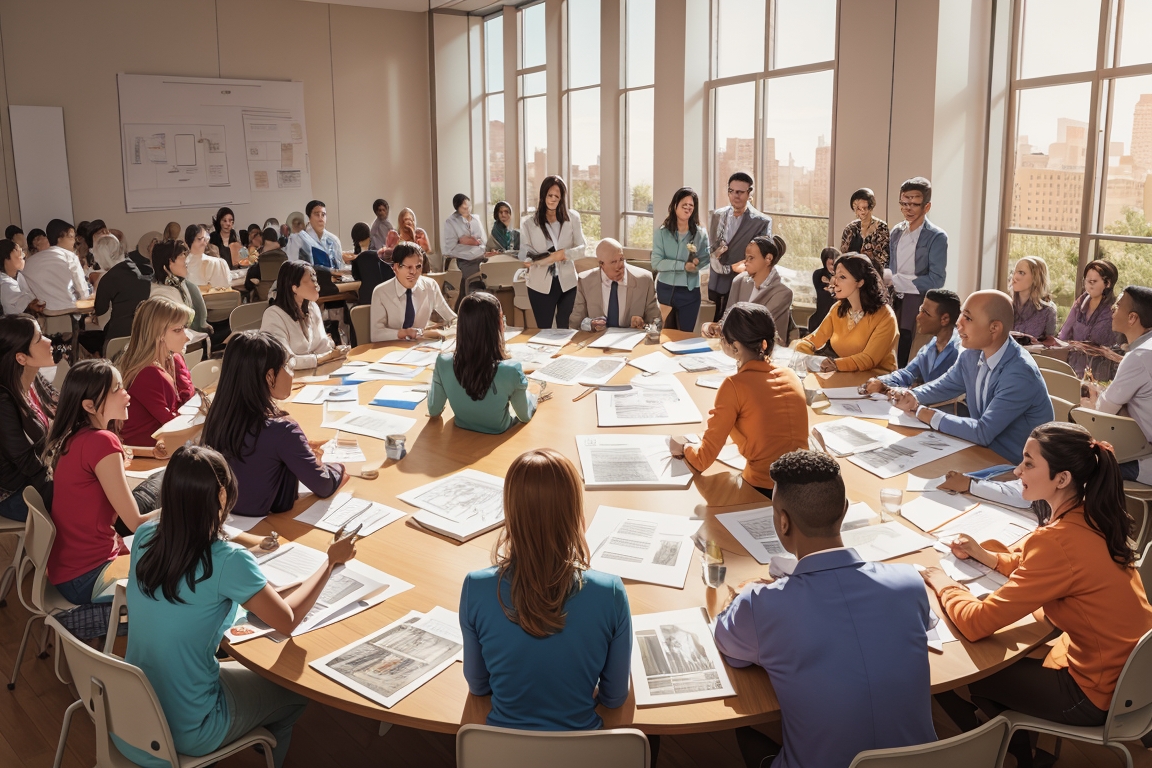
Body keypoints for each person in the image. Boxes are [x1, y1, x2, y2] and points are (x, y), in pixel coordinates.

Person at [926, 423, 1152, 768]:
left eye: (1029, 464)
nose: (1017, 471)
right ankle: (1023, 748)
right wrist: (987, 557)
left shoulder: (1056, 540)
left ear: (1061, 479)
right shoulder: (1093, 515)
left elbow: (975, 623)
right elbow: (1046, 566)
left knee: (964, 676)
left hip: (1096, 694)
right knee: (1007, 659)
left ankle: (1010, 756)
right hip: (1133, 679)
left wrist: (943, 583)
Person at [126, 445, 354, 768]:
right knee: (296, 693)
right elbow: (286, 621)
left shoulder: (145, 536)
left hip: (133, 714)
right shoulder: (226, 559)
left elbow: (242, 596)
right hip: (190, 728)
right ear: (221, 497)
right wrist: (330, 562)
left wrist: (279, 585)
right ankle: (265, 743)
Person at [713, 450, 936, 768]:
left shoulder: (761, 604)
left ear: (783, 521)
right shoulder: (908, 582)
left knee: (744, 736)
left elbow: (729, 646)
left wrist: (737, 597)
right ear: (844, 511)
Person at [460, 448, 631, 730]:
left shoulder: (475, 588)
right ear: (574, 511)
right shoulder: (610, 592)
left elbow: (479, 686)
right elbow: (614, 698)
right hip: (585, 753)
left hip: (500, 752)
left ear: (510, 511)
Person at [890, 290, 1054, 463]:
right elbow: (944, 385)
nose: (958, 324)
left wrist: (926, 414)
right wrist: (913, 396)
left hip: (1014, 468)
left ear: (994, 328)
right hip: (980, 453)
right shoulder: (972, 354)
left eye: (967, 318)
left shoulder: (1020, 374)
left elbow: (983, 432)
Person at [42, 360, 155, 605]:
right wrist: (187, 506)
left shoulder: (74, 437)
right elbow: (135, 523)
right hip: (89, 576)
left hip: (68, 573)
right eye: (116, 389)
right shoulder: (102, 442)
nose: (126, 394)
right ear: (90, 405)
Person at [199, 331, 348, 517]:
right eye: (286, 365)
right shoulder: (282, 430)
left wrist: (298, 451)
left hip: (223, 519)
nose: (290, 372)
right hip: (268, 527)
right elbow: (324, 485)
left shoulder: (218, 416)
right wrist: (338, 467)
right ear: (270, 376)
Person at [671, 303, 808, 498]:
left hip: (764, 489)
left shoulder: (734, 386)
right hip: (805, 484)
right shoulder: (790, 375)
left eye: (723, 339)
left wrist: (683, 446)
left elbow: (701, 460)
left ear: (735, 347)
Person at [428, 292, 542, 434]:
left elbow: (433, 410)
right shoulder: (512, 370)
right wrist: (533, 392)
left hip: (461, 434)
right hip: (499, 437)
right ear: (498, 324)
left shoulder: (443, 362)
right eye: (502, 317)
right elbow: (524, 416)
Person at [793, 253, 899, 373]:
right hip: (846, 376)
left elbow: (868, 359)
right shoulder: (838, 309)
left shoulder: (886, 316)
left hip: (878, 381)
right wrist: (800, 350)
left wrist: (835, 364)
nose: (835, 282)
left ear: (860, 282)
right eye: (835, 276)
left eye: (842, 277)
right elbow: (814, 339)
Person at [117, 297, 195, 449]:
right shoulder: (148, 373)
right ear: (157, 335)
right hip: (145, 454)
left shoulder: (169, 360)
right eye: (178, 330)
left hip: (162, 447)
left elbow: (185, 404)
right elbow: (174, 425)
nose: (186, 337)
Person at [886, 177, 948, 367]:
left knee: (911, 348)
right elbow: (891, 265)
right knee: (890, 343)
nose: (908, 209)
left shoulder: (936, 236)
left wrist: (896, 281)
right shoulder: (896, 231)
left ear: (926, 207)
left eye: (914, 204)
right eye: (904, 203)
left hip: (919, 300)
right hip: (894, 298)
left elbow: (937, 280)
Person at [0, 315, 56, 521]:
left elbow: (64, 406)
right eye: (39, 338)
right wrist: (63, 484)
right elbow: (25, 461)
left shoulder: (34, 379)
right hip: (14, 494)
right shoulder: (3, 401)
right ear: (21, 358)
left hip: (37, 479)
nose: (49, 341)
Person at [1096, 285, 1152, 485]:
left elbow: (1102, 410)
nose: (1112, 309)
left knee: (1074, 460)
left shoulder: (1140, 356)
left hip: (1144, 460)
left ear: (1132, 318)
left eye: (1118, 305)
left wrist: (1096, 397)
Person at [518, 175, 586, 330]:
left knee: (565, 327)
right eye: (550, 195)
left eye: (557, 196)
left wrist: (563, 254)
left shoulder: (573, 218)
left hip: (568, 282)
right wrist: (533, 259)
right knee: (545, 330)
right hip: (539, 285)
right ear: (543, 195)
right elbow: (523, 253)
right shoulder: (529, 223)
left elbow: (582, 249)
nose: (553, 199)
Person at [863, 288, 961, 393]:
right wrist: (880, 381)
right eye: (920, 310)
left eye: (925, 313)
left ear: (944, 319)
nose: (918, 317)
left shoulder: (960, 351)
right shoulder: (931, 346)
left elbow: (942, 390)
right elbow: (907, 374)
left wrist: (890, 389)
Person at [702, 235, 791, 345]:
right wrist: (716, 328)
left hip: (764, 352)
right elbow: (728, 316)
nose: (745, 262)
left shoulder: (782, 293)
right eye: (746, 257)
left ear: (768, 259)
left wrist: (726, 329)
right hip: (736, 347)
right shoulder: (739, 281)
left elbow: (757, 327)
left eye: (751, 258)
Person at [707, 172, 772, 322]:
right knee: (716, 324)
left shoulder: (762, 222)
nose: (735, 195)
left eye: (740, 192)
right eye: (731, 191)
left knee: (736, 326)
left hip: (742, 282)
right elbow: (711, 248)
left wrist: (743, 267)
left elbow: (761, 256)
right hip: (717, 281)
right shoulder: (717, 215)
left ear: (749, 193)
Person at [261, 261, 348, 370]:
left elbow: (323, 346)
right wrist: (326, 357)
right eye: (311, 280)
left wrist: (338, 351)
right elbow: (285, 360)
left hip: (317, 373)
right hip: (291, 379)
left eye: (315, 278)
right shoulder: (273, 315)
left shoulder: (312, 308)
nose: (316, 284)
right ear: (294, 288)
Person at [371, 242, 457, 342]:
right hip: (390, 349)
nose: (414, 272)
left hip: (420, 348)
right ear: (395, 267)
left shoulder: (430, 286)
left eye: (418, 267)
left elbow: (453, 319)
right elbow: (376, 334)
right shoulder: (381, 292)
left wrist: (444, 333)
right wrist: (404, 333)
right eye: (409, 267)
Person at [570, 238, 660, 332]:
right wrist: (590, 324)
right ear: (601, 264)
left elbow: (656, 322)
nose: (619, 266)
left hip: (631, 341)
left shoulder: (644, 279)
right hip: (596, 341)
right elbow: (576, 323)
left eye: (621, 259)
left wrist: (643, 325)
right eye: (613, 262)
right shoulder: (585, 280)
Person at [651, 186, 709, 331]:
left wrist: (698, 263)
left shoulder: (700, 234)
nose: (688, 208)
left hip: (690, 292)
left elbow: (706, 258)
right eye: (684, 205)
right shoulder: (661, 233)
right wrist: (683, 266)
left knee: (685, 336)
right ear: (675, 205)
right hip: (665, 289)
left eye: (691, 206)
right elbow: (656, 263)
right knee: (664, 334)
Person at [1056, 259, 1121, 379]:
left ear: (1108, 283)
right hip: (1073, 367)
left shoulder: (1113, 310)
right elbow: (1064, 333)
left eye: (1094, 281)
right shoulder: (1080, 302)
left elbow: (1107, 345)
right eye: (1087, 281)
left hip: (1100, 372)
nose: (1089, 285)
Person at [91, 233, 151, 344]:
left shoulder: (108, 279)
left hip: (119, 338)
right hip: (146, 333)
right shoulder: (139, 268)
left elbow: (101, 315)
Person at [21, 218, 90, 312]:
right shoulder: (70, 257)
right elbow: (83, 291)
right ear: (59, 238)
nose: (74, 241)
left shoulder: (29, 262)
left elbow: (26, 292)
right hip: (68, 311)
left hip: (42, 313)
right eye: (71, 237)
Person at [150, 240, 211, 336]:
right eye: (182, 255)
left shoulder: (182, 284)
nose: (187, 260)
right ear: (169, 261)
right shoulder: (159, 294)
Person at [444, 193, 489, 304]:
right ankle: (471, 306)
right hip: (463, 260)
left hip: (480, 257)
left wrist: (467, 241)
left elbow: (483, 242)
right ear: (457, 208)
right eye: (464, 207)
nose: (467, 209)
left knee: (492, 271)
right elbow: (450, 249)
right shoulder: (451, 222)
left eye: (469, 205)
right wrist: (473, 243)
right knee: (472, 279)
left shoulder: (476, 219)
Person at [840, 187, 890, 273]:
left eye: (865, 208)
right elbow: (843, 255)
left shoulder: (882, 228)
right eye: (858, 208)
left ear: (871, 207)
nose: (862, 212)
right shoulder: (850, 228)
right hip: (851, 273)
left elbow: (883, 259)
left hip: (873, 274)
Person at [1011, 256, 1058, 344]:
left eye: (1021, 273)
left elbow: (1050, 347)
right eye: (1014, 272)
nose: (1015, 277)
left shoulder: (1048, 311)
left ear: (1036, 278)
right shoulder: (1006, 306)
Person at [287, 200, 342, 269]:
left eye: (323, 214)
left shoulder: (334, 240)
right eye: (317, 214)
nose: (320, 217)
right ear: (309, 217)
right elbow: (292, 265)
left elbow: (339, 266)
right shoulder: (299, 239)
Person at [351, 222, 394, 307]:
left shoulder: (356, 259)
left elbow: (356, 278)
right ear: (369, 237)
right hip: (385, 302)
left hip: (365, 303)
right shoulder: (381, 256)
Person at [0, 239, 44, 315]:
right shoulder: (4, 284)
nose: (23, 256)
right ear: (6, 259)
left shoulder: (20, 275)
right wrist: (32, 304)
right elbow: (21, 305)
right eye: (17, 251)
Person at [185, 223, 233, 289]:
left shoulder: (216, 262)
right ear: (190, 241)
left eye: (205, 239)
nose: (204, 242)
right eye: (199, 239)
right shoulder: (184, 263)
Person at [807, 247, 839, 332]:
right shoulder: (818, 274)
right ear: (825, 263)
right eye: (831, 264)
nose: (834, 268)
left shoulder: (841, 277)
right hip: (821, 318)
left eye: (836, 265)